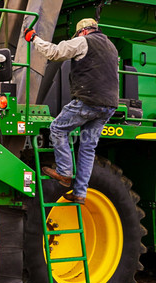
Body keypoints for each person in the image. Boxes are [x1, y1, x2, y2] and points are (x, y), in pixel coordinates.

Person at [23, 18, 118, 204]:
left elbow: (54, 53)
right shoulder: (111, 47)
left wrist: (33, 38)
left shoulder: (83, 41)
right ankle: (80, 193)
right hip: (109, 105)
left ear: (82, 31)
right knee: (88, 147)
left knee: (58, 128)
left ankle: (64, 172)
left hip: (89, 99)